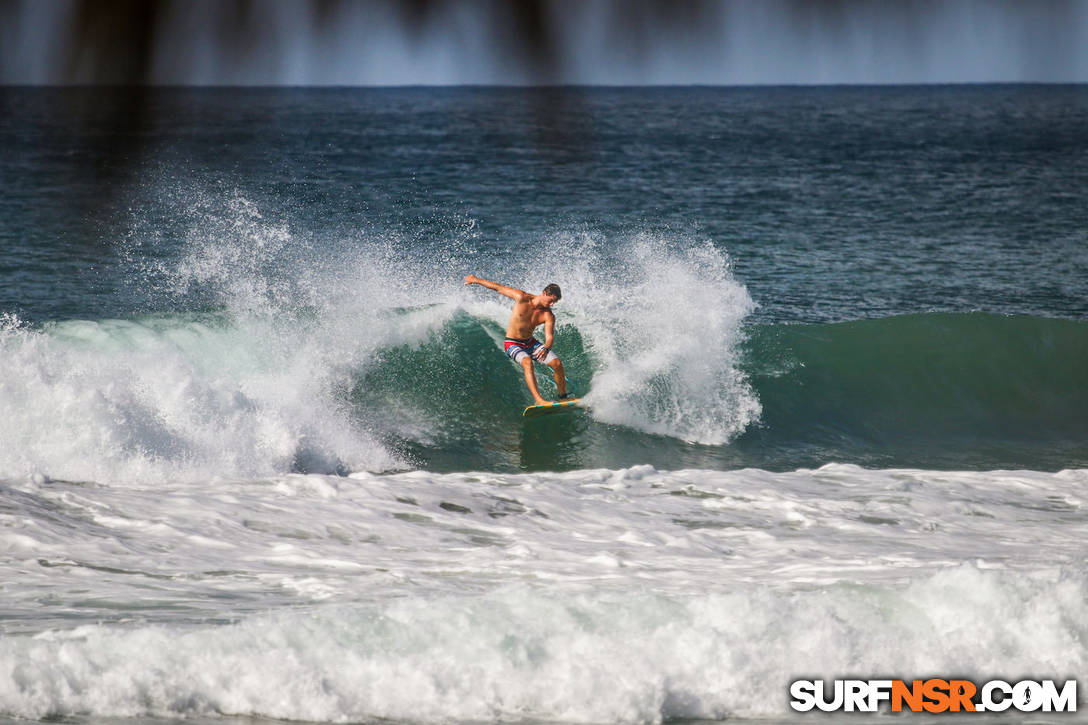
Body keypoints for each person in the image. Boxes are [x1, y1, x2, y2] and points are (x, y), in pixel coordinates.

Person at [464, 274, 571, 406]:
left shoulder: (548, 315)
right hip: (512, 343)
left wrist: (546, 348)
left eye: (555, 302)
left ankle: (563, 397)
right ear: (544, 293)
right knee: (527, 362)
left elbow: (549, 336)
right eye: (551, 300)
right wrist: (475, 280)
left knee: (557, 364)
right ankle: (539, 400)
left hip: (530, 343)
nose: (552, 304)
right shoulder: (522, 297)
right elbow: (498, 288)